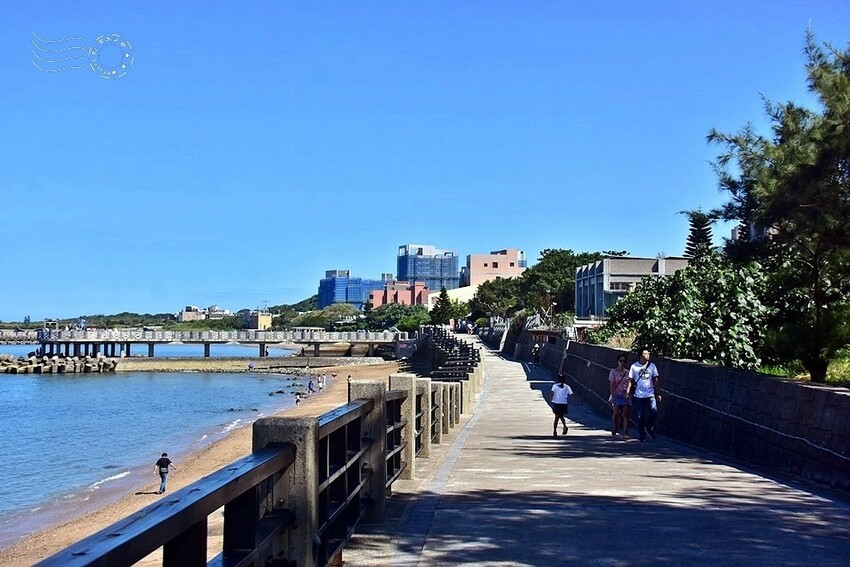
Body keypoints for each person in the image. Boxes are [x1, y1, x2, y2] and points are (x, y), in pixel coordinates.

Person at [629, 349, 660, 442]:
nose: (647, 355)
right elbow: (630, 380)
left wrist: (657, 393)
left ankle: (649, 427)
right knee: (639, 416)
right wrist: (627, 392)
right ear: (641, 356)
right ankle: (642, 434)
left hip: (650, 394)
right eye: (645, 354)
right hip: (638, 395)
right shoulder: (634, 366)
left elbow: (656, 380)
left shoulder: (652, 366)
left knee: (654, 412)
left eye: (648, 354)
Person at [609, 354, 631, 437]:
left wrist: (627, 393)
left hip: (624, 395)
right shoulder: (613, 372)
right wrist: (612, 395)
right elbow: (611, 384)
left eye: (624, 361)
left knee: (625, 414)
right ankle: (615, 426)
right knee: (615, 414)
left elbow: (629, 383)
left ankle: (625, 432)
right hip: (616, 395)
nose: (622, 363)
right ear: (617, 362)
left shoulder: (628, 372)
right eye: (620, 361)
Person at [549, 372, 573, 437]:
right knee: (561, 415)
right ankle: (564, 426)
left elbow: (552, 393)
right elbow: (571, 394)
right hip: (564, 403)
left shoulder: (555, 386)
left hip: (557, 403)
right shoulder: (567, 387)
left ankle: (555, 431)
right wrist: (574, 402)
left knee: (557, 417)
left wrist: (551, 400)